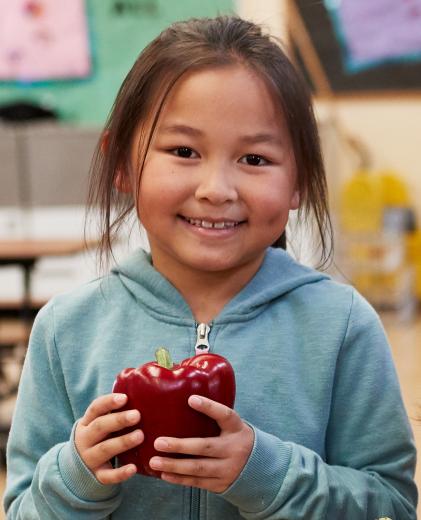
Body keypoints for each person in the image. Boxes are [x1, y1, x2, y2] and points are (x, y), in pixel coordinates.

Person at [4, 15, 417, 519]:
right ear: (121, 165)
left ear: (300, 181)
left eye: (255, 159)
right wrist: (77, 476)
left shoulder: (341, 326)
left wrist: (265, 473)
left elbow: (390, 506)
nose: (216, 189)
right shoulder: (65, 329)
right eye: (183, 151)